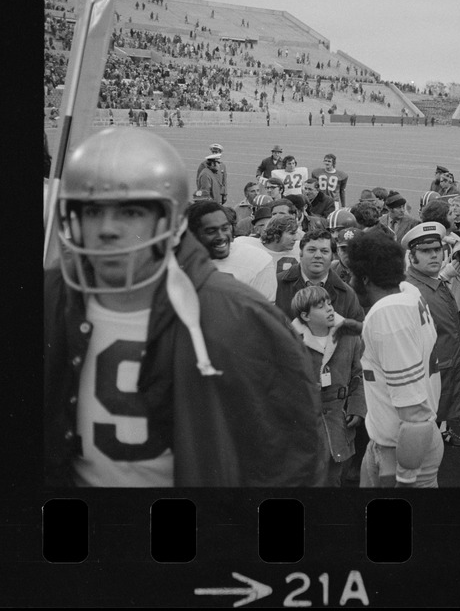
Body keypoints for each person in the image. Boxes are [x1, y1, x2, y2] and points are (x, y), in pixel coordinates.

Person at [45, 128, 324, 487]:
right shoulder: (52, 294)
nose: (108, 229)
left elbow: (288, 455)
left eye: (130, 211)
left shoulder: (238, 312)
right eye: (91, 211)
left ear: (173, 220)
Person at [344, 230, 443, 488]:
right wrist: (354, 326)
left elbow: (416, 417)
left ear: (364, 278)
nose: (351, 281)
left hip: (404, 453)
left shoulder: (388, 317)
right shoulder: (407, 290)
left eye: (353, 274)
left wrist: (404, 480)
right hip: (389, 443)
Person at [289, 286, 366, 487]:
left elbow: (360, 374)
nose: (330, 309)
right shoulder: (290, 342)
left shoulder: (349, 336)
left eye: (329, 303)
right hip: (305, 426)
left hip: (339, 423)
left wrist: (357, 408)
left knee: (335, 478)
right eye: (321, 307)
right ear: (305, 315)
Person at [402, 223, 460, 447]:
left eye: (437, 249)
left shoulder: (434, 283)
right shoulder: (412, 291)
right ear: (412, 257)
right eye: (425, 251)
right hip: (426, 383)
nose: (434, 255)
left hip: (441, 376)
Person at [275, 229, 366, 330]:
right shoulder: (276, 285)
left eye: (324, 251)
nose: (318, 256)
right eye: (311, 250)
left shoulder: (347, 294)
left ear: (332, 256)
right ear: (300, 253)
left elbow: (357, 336)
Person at [185, 200, 277, 300]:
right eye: (211, 231)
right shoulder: (176, 259)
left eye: (225, 228)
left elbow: (261, 312)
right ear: (192, 234)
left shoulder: (258, 261)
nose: (221, 236)